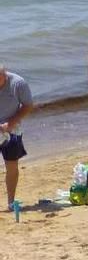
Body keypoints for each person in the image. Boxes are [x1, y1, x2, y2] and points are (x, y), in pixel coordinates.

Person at [0, 63, 31, 211]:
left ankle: (11, 202)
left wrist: (10, 123)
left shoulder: (18, 83)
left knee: (11, 165)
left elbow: (28, 106)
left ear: (4, 75)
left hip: (12, 130)